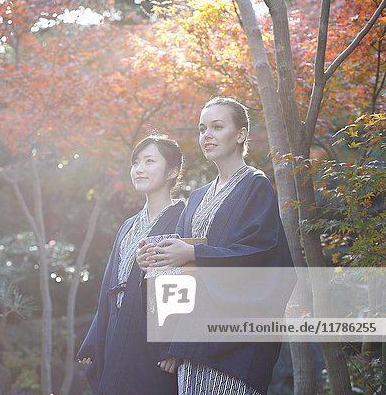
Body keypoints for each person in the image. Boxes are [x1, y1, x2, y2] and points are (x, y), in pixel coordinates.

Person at [137, 97, 295, 395]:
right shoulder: (196, 198)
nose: (206, 135)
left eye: (217, 127)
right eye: (202, 129)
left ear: (241, 134)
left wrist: (194, 253)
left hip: (234, 344)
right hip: (193, 343)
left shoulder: (255, 185)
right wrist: (153, 258)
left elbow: (259, 255)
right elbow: (180, 269)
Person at [77, 134, 186, 395]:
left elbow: (187, 284)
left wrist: (175, 344)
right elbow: (108, 286)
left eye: (149, 161)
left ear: (173, 171)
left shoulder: (183, 218)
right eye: (136, 162)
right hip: (119, 325)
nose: (139, 169)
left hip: (152, 334)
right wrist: (95, 339)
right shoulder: (128, 226)